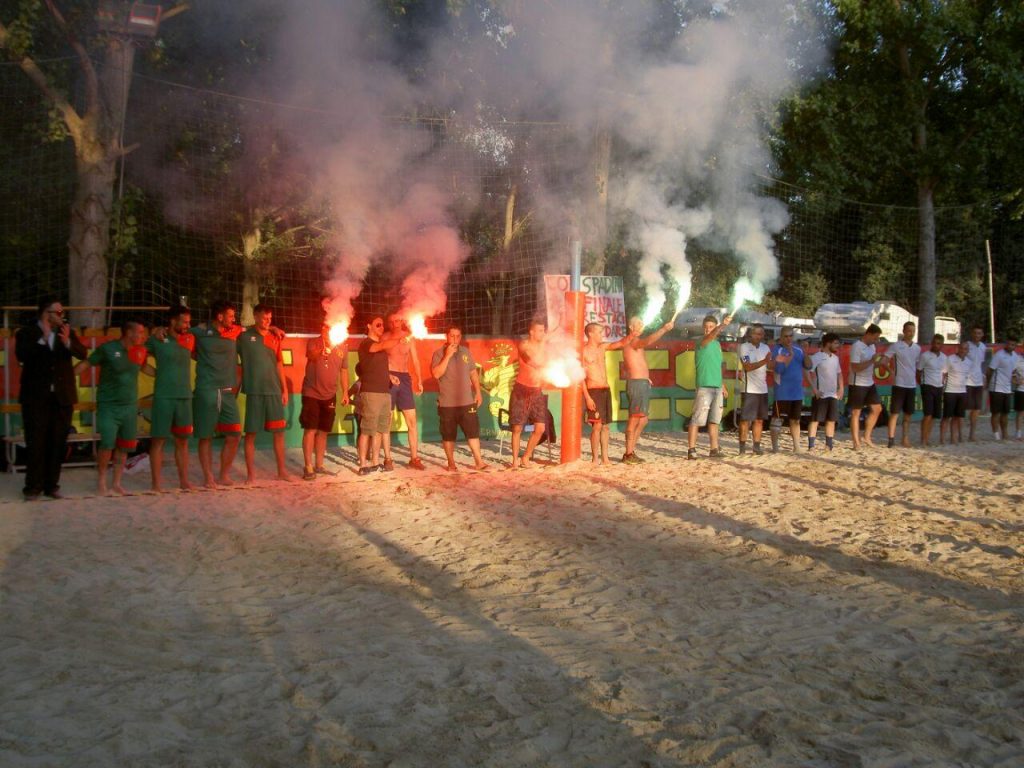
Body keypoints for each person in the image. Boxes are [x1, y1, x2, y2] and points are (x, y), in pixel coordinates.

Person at [15, 297, 89, 500]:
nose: (62, 316)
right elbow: (22, 355)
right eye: (58, 312)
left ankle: (51, 485)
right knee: (36, 442)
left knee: (57, 442)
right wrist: (43, 338)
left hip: (62, 396)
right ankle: (33, 487)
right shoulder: (27, 333)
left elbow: (83, 353)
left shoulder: (65, 332)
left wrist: (66, 342)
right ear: (46, 313)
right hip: (36, 397)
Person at [74, 320, 147, 495]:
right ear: (129, 333)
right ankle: (101, 481)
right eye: (140, 332)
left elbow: (146, 368)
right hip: (109, 405)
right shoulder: (108, 349)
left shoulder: (140, 350)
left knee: (124, 446)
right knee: (107, 444)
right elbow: (86, 363)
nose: (142, 336)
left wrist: (164, 375)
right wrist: (64, 377)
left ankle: (116, 482)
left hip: (129, 406)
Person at [190, 301, 245, 488]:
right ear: (219, 317)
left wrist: (275, 328)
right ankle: (208, 477)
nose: (234, 319)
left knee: (235, 435)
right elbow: (177, 334)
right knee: (205, 436)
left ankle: (223, 475)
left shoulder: (236, 331)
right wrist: (159, 331)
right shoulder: (199, 332)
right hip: (206, 390)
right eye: (230, 315)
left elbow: (256, 330)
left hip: (228, 392)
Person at [238, 304, 294, 483]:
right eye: (264, 318)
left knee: (279, 433)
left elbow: (279, 364)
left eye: (270, 318)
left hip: (274, 391)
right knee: (251, 434)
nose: (268, 321)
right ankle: (250, 475)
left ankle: (282, 471)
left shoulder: (274, 337)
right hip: (254, 391)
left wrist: (284, 390)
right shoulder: (244, 337)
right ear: (255, 316)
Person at [144, 305, 194, 492]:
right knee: (158, 440)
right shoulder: (157, 339)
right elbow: (137, 354)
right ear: (173, 321)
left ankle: (184, 481)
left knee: (183, 441)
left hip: (184, 397)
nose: (188, 325)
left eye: (189, 322)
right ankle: (156, 484)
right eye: (185, 321)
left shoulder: (190, 337)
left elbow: (211, 328)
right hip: (163, 397)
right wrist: (155, 373)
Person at [621, 312, 678, 464]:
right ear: (630, 327)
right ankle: (628, 453)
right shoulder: (632, 340)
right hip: (637, 384)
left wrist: (646, 377)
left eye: (641, 324)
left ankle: (631, 450)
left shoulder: (635, 342)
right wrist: (664, 329)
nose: (640, 326)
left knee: (643, 419)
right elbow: (647, 342)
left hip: (642, 382)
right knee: (634, 418)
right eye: (637, 324)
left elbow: (638, 362)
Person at [431, 325, 489, 472]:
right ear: (446, 336)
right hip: (447, 403)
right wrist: (448, 355)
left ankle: (479, 462)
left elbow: (473, 373)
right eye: (452, 336)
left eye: (458, 336)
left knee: (473, 432)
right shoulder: (438, 354)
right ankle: (451, 463)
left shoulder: (466, 352)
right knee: (449, 436)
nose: (455, 339)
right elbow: (436, 374)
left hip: (467, 401)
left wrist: (478, 392)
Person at [357, 316, 411, 475]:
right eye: (377, 325)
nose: (381, 327)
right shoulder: (367, 344)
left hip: (384, 392)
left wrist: (390, 377)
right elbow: (379, 346)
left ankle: (375, 462)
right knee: (367, 430)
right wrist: (400, 340)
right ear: (369, 326)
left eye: (382, 325)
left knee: (381, 430)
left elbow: (380, 366)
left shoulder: (380, 348)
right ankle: (362, 465)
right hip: (371, 393)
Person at [300, 323, 350, 480]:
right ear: (322, 329)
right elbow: (311, 356)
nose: (329, 331)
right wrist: (324, 348)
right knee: (310, 429)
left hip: (330, 394)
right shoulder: (314, 342)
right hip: (312, 393)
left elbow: (344, 370)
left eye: (332, 328)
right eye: (326, 328)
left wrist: (345, 392)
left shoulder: (343, 346)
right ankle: (308, 466)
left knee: (323, 431)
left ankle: (319, 465)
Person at [581, 322, 633, 465]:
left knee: (605, 426)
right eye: (599, 332)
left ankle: (605, 458)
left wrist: (633, 334)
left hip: (605, 390)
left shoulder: (602, 347)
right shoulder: (583, 352)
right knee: (596, 426)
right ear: (590, 333)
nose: (601, 335)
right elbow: (580, 377)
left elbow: (621, 343)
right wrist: (587, 397)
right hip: (593, 391)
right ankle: (595, 459)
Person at [687, 312, 733, 460]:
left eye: (711, 327)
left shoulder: (717, 345)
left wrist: (722, 385)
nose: (708, 329)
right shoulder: (701, 341)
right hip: (704, 386)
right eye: (706, 327)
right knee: (697, 419)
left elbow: (717, 367)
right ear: (703, 329)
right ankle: (692, 450)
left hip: (717, 386)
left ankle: (714, 449)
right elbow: (709, 337)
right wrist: (722, 326)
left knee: (714, 420)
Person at [383, 314, 425, 470]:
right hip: (390, 378)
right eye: (392, 321)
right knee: (387, 421)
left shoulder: (409, 337)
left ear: (402, 321)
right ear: (389, 323)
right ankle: (388, 459)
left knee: (412, 422)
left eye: (398, 320)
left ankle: (414, 458)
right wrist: (387, 375)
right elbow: (379, 360)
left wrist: (419, 380)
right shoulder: (385, 337)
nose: (395, 323)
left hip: (405, 379)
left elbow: (415, 360)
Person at [508, 320, 550, 469]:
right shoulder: (524, 344)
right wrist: (539, 365)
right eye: (539, 330)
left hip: (536, 390)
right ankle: (514, 461)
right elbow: (527, 358)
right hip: (522, 389)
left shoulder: (544, 346)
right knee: (517, 427)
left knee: (540, 428)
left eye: (543, 330)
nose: (542, 333)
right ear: (532, 332)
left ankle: (525, 457)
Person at [737, 323, 772, 456]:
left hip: (762, 389)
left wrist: (777, 362)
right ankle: (742, 447)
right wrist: (765, 361)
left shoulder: (766, 347)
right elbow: (747, 367)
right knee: (745, 419)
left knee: (759, 419)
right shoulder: (744, 347)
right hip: (749, 389)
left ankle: (756, 446)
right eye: (756, 334)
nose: (759, 336)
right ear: (751, 334)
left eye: (761, 334)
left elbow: (770, 365)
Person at [770, 326, 806, 453]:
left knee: (795, 419)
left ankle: (796, 446)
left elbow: (808, 365)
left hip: (796, 392)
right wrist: (788, 357)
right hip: (782, 391)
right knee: (777, 419)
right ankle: (775, 447)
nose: (788, 338)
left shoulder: (799, 349)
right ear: (781, 337)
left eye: (791, 336)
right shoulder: (777, 350)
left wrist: (805, 351)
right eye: (786, 336)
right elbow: (778, 370)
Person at [884, 321, 920, 448]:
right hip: (899, 384)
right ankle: (891, 439)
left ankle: (905, 438)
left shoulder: (917, 348)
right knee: (894, 413)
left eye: (913, 331)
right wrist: (891, 372)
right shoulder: (896, 346)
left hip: (911, 385)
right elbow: (884, 360)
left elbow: (916, 365)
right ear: (904, 331)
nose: (911, 333)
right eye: (909, 330)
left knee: (908, 414)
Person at [847, 323, 883, 449]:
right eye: (875, 337)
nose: (876, 341)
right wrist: (872, 361)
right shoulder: (857, 347)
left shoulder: (872, 346)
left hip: (869, 382)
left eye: (878, 338)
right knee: (856, 412)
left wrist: (880, 363)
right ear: (868, 334)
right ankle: (856, 442)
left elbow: (871, 366)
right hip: (858, 383)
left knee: (877, 409)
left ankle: (866, 436)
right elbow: (855, 368)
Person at [807, 332, 844, 451]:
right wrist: (815, 390)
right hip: (821, 395)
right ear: (828, 343)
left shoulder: (836, 358)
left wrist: (841, 388)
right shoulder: (817, 356)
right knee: (815, 420)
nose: (838, 345)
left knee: (831, 420)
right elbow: (807, 372)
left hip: (833, 394)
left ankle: (829, 445)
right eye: (835, 343)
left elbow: (839, 373)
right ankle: (811, 446)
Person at [986, 334, 1019, 441]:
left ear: (1015, 346)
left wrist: (1016, 380)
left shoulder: (1015, 356)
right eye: (1009, 344)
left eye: (1013, 344)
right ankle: (996, 434)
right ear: (1006, 343)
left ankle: (1004, 433)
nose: (1010, 346)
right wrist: (988, 384)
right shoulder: (999, 355)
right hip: (996, 388)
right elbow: (990, 370)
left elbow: (1013, 372)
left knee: (1005, 413)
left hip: (1007, 388)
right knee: (996, 412)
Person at [917, 333, 946, 446]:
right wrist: (922, 385)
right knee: (927, 414)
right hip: (928, 386)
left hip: (939, 387)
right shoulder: (925, 356)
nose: (935, 345)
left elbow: (944, 373)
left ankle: (927, 438)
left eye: (938, 343)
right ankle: (923, 439)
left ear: (942, 345)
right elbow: (918, 371)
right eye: (934, 342)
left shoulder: (944, 357)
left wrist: (943, 385)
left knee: (934, 415)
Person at [941, 339, 971, 445]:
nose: (963, 350)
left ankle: (953, 438)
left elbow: (967, 377)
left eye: (966, 349)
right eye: (962, 348)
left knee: (957, 417)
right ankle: (943, 439)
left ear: (968, 351)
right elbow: (943, 374)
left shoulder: (969, 362)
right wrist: (942, 387)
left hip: (962, 392)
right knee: (946, 417)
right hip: (950, 391)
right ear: (958, 349)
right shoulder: (950, 359)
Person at [965, 325, 988, 441]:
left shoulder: (983, 347)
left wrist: (984, 377)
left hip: (978, 381)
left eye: (979, 333)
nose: (977, 335)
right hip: (967, 381)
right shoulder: (967, 345)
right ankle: (960, 434)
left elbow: (982, 364)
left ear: (982, 335)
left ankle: (972, 434)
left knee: (977, 409)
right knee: (966, 409)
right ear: (971, 334)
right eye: (975, 333)